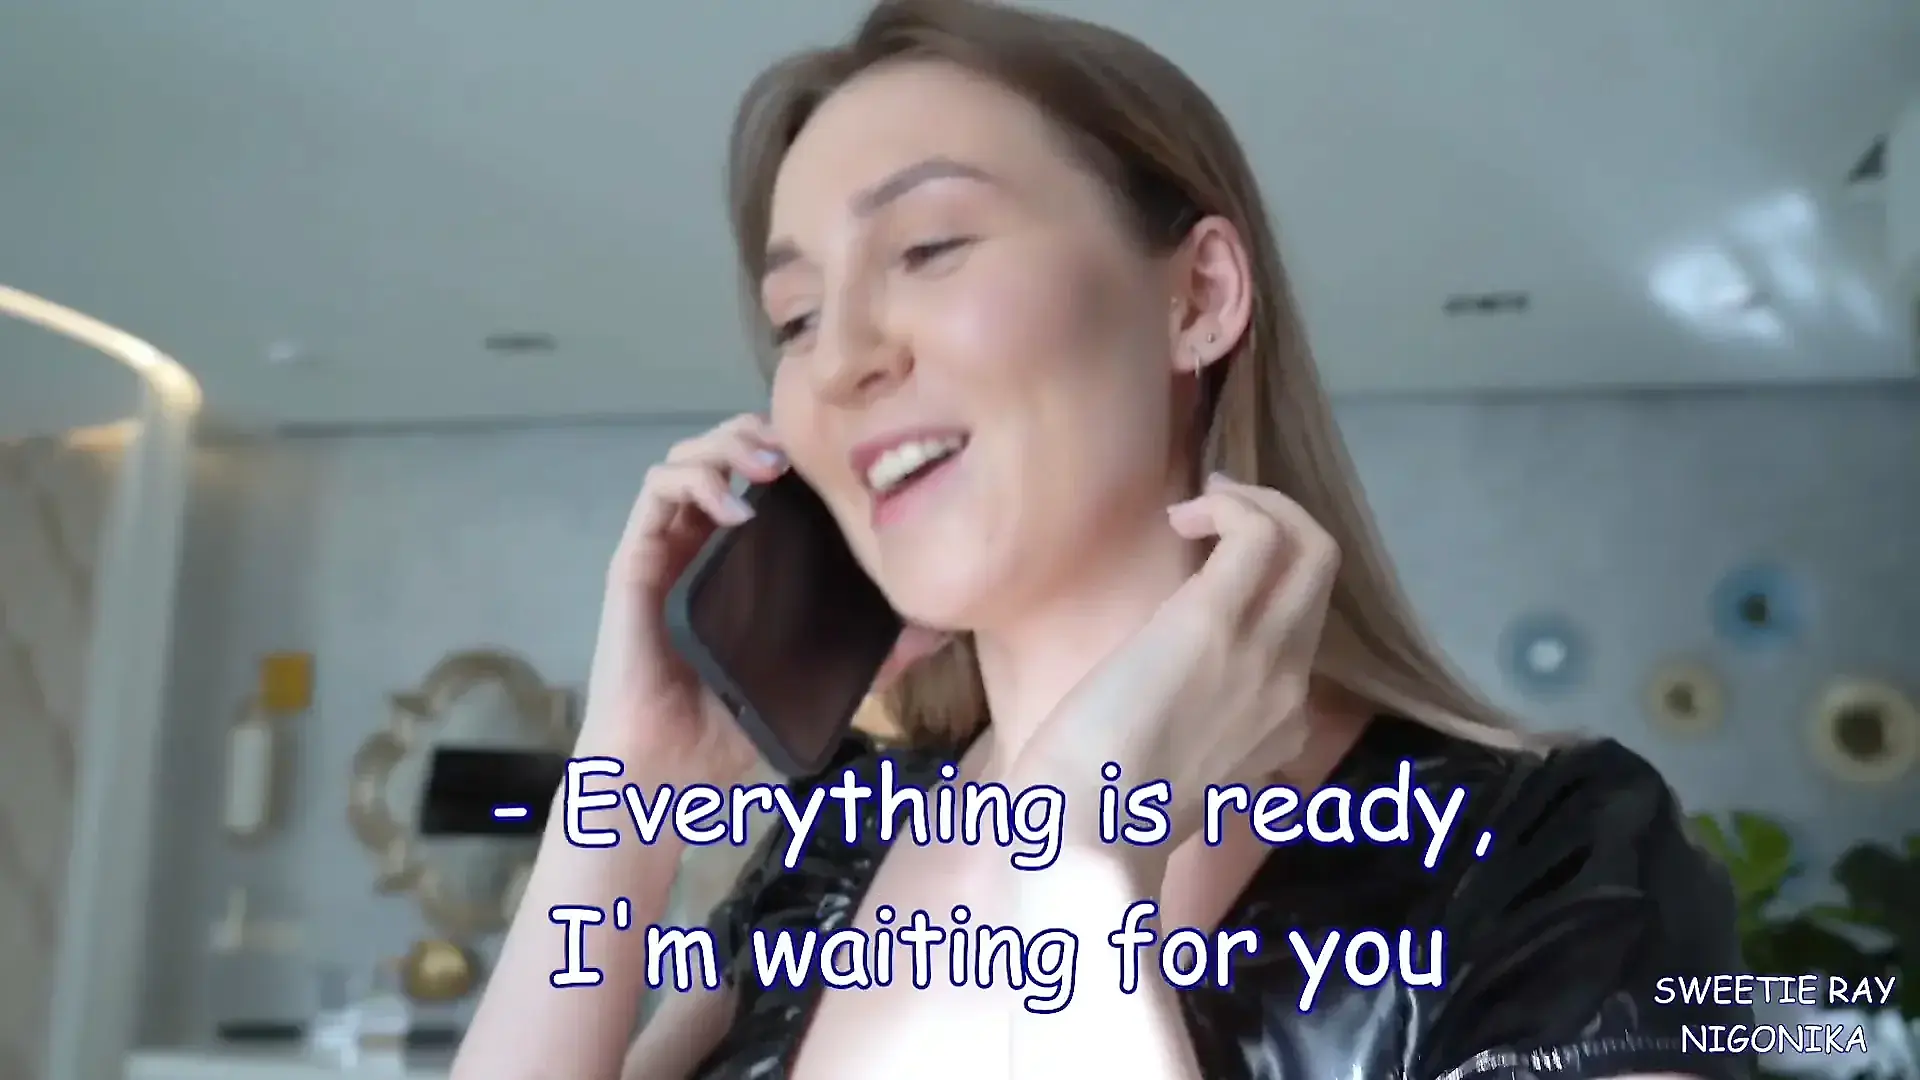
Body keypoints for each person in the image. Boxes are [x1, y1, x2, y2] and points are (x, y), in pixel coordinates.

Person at [453, 1, 1753, 1077]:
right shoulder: (838, 842)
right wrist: (628, 787)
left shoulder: (1550, 859)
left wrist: (1087, 859)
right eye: (795, 317)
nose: (839, 359)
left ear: (1198, 297)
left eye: (931, 246)